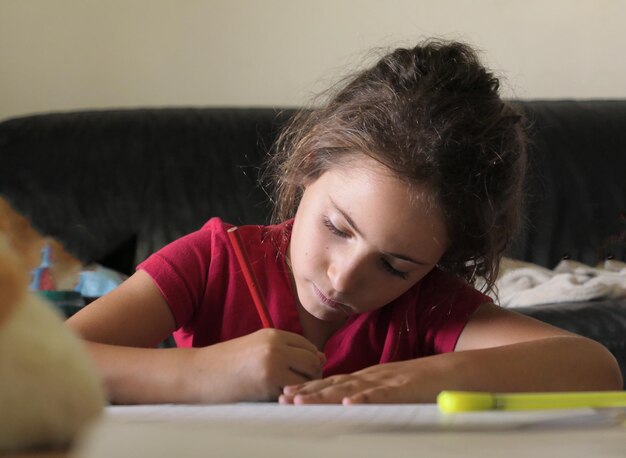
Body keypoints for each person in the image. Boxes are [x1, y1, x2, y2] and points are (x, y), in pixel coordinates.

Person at [67, 39, 622, 405]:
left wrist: (425, 378)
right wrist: (205, 373)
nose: (344, 279)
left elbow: (594, 368)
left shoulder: (428, 307)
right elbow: (34, 364)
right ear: (309, 166)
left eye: (395, 264)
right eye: (337, 228)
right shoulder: (215, 262)